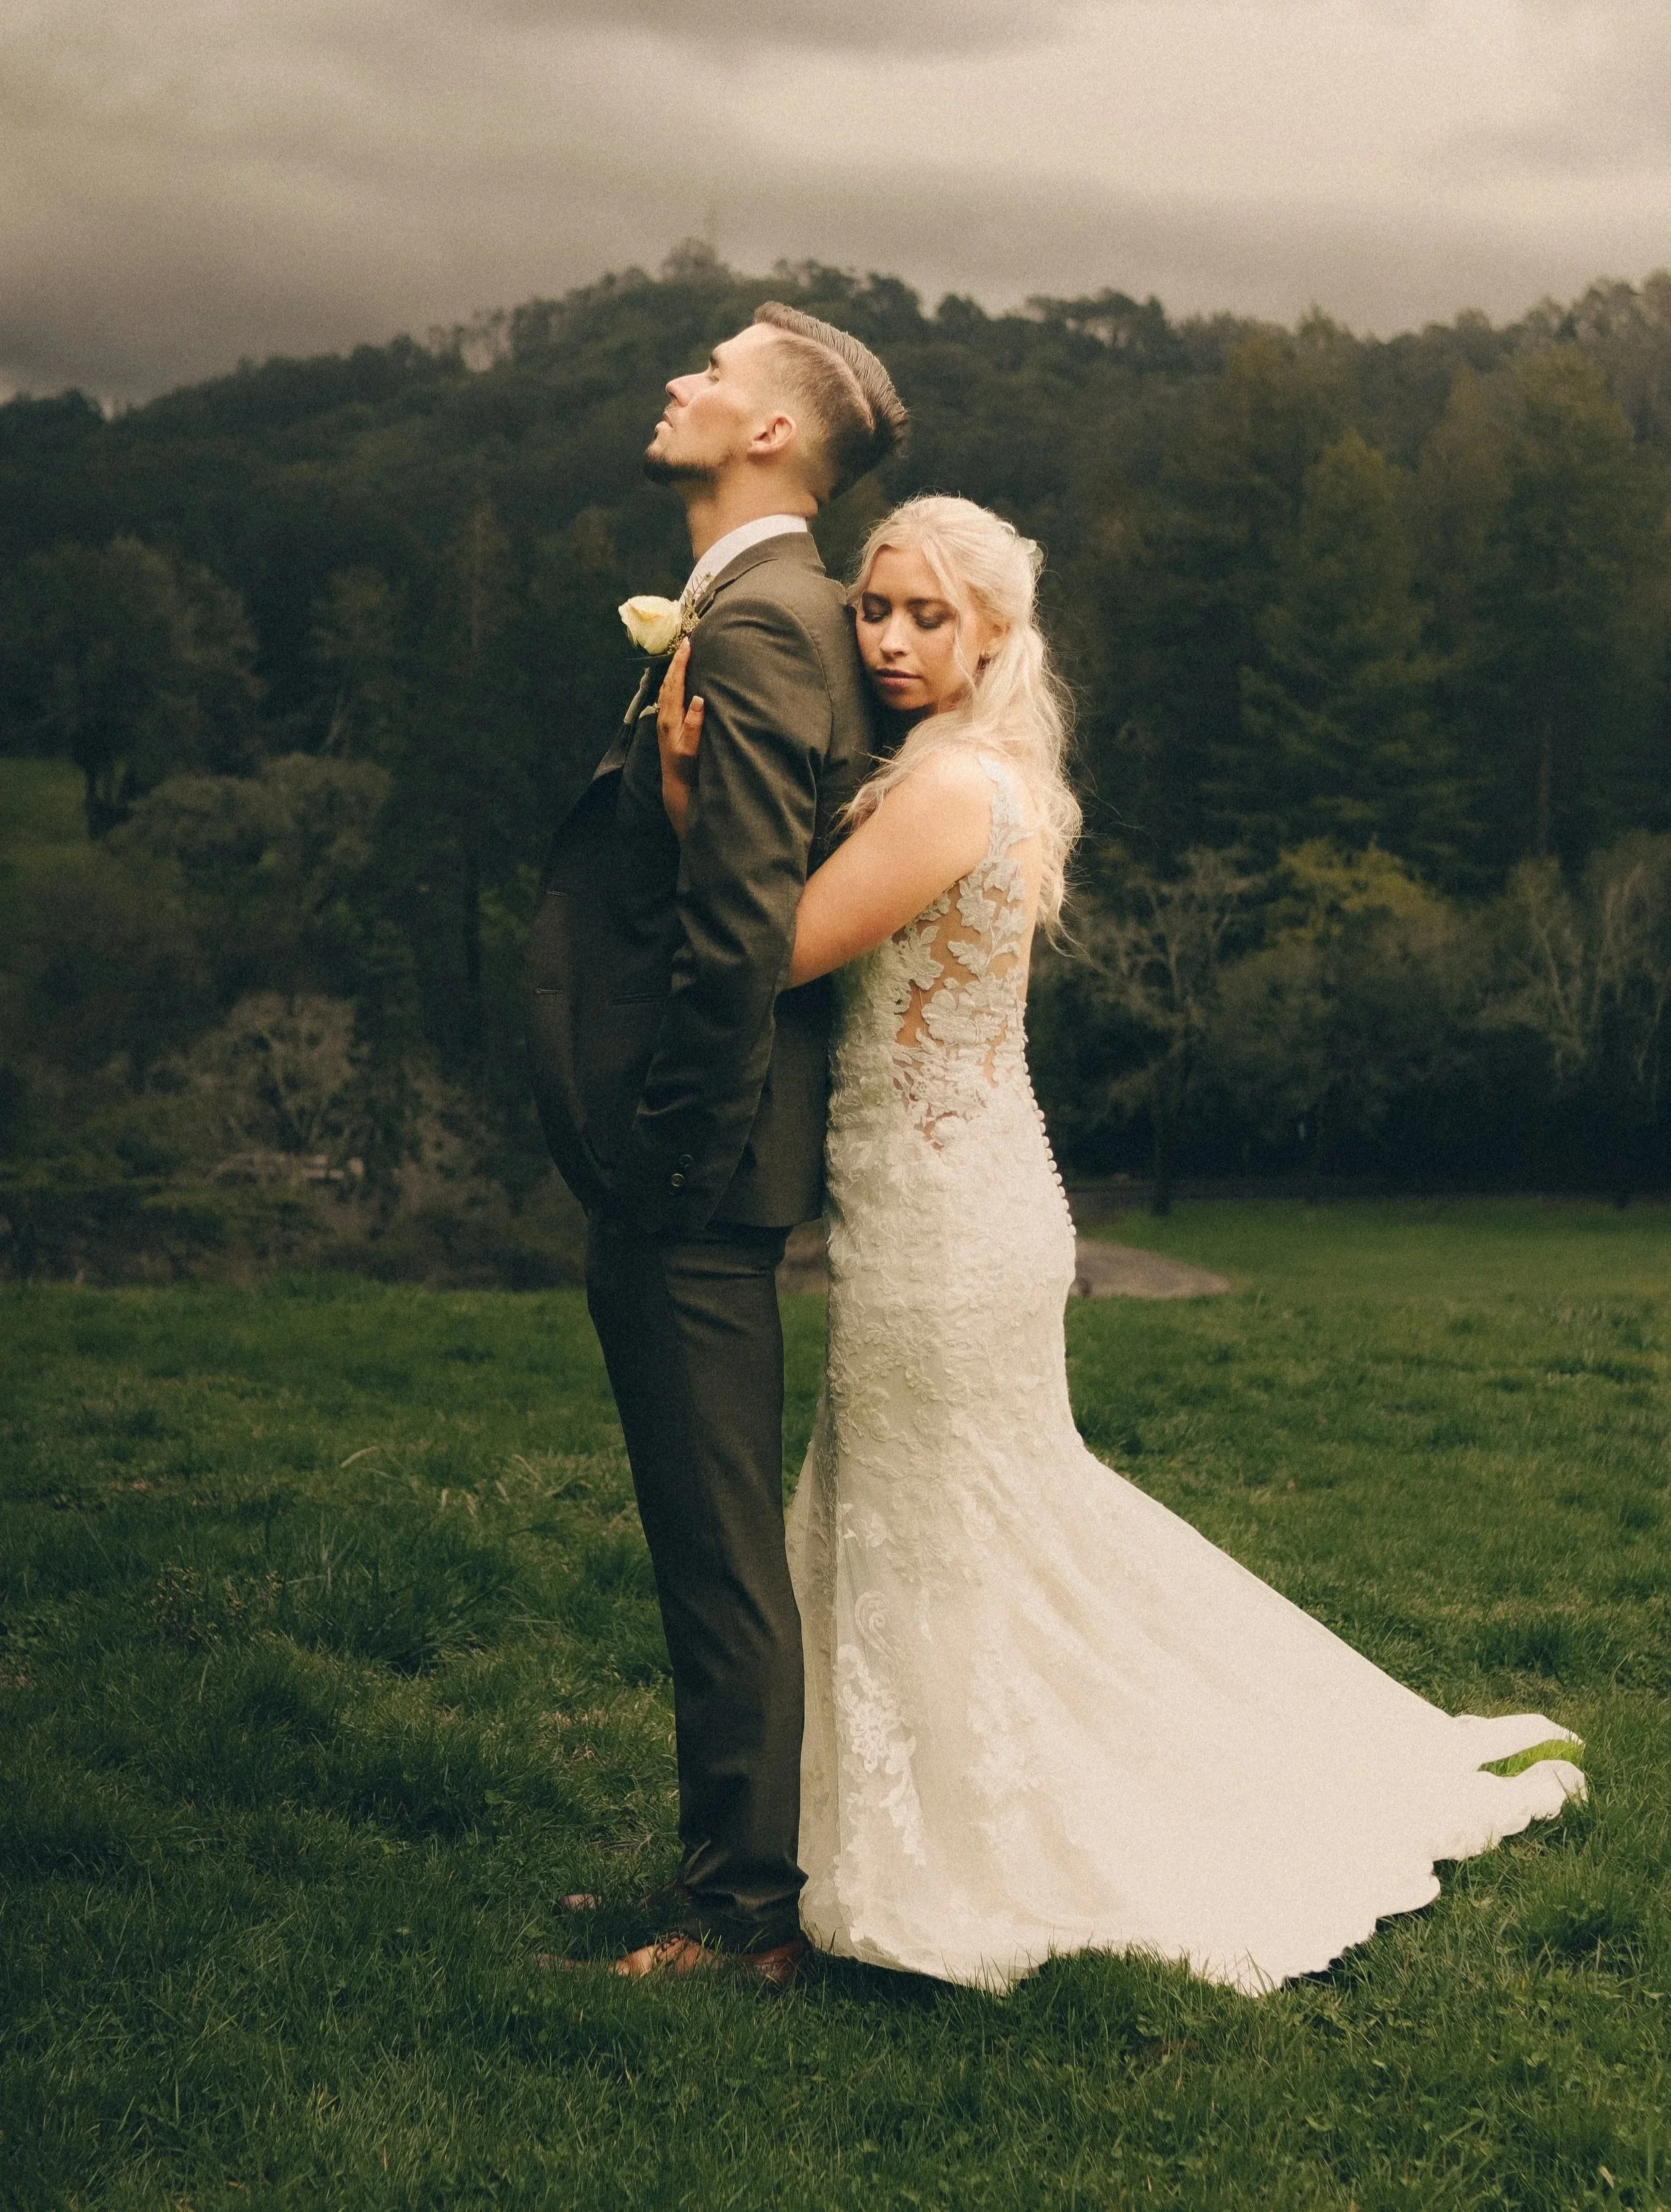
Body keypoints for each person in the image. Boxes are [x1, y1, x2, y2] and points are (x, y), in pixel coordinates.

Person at [654, 493, 1585, 1995]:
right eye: (872, 610)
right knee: (952, 1511)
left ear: (993, 637)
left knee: (937, 1522)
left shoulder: (952, 788)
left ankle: (959, 1844)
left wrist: (686, 789)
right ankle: (844, 1832)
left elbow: (777, 952)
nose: (886, 639)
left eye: (924, 617)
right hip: (949, 1197)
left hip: (946, 1218)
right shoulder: (971, 770)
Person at [525, 303, 906, 1987]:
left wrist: (664, 1160)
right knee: (711, 1535)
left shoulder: (758, 626)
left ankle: (742, 1915)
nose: (678, 379)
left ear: (767, 438)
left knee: (715, 1547)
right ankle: (718, 1866)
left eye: (711, 372)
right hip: (702, 1163)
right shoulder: (775, 610)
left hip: (694, 1171)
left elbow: (741, 927)